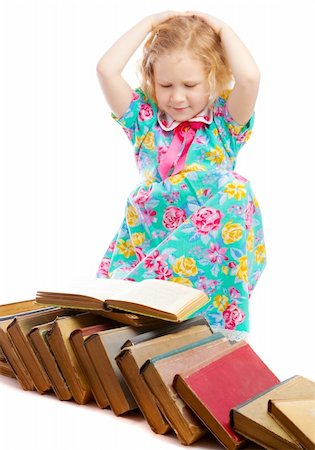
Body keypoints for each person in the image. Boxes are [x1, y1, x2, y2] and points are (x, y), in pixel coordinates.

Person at [96, 11, 266, 341]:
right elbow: (106, 69)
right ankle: (141, 305)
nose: (176, 97)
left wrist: (221, 27)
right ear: (151, 81)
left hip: (205, 247)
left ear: (214, 79)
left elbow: (249, 78)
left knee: (236, 188)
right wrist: (148, 23)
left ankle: (211, 330)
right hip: (152, 234)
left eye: (190, 85)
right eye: (165, 85)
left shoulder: (224, 123)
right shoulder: (143, 120)